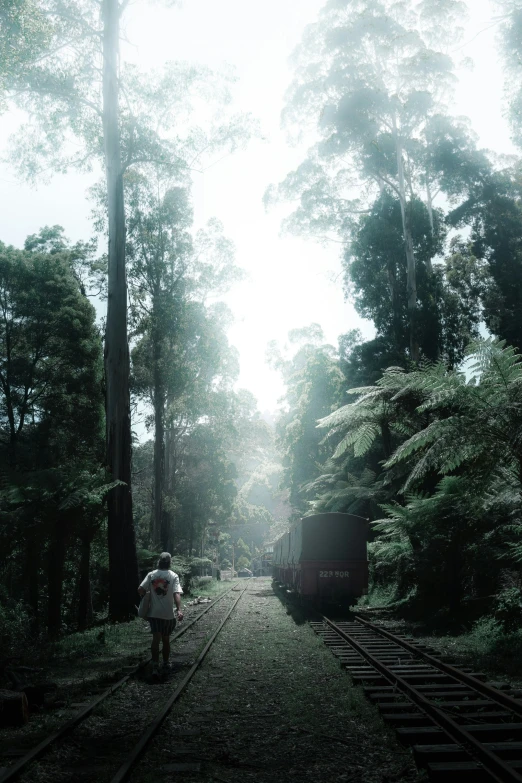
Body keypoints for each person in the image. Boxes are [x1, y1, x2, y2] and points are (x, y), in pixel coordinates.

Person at [138, 552, 184, 677]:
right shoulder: (173, 576)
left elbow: (140, 589)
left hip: (154, 614)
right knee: (166, 640)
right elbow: (176, 593)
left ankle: (154, 665)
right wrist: (179, 609)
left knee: (155, 640)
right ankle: (165, 663)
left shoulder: (151, 575)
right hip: (168, 614)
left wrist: (147, 597)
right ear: (170, 562)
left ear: (159, 562)